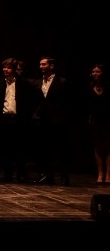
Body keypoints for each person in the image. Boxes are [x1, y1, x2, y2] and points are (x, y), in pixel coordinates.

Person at [30, 55, 71, 185]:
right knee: (44, 150)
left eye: (44, 64)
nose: (41, 66)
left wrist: (63, 118)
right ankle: (47, 175)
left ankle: (64, 177)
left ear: (51, 66)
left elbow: (67, 103)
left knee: (61, 150)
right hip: (42, 121)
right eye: (40, 64)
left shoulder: (62, 82)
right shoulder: (37, 83)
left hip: (58, 121)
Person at [85, 63, 110, 184]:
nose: (95, 74)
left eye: (98, 71)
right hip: (95, 121)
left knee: (109, 147)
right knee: (98, 147)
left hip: (108, 120)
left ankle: (108, 174)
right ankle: (100, 173)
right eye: (93, 71)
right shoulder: (89, 87)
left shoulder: (108, 87)